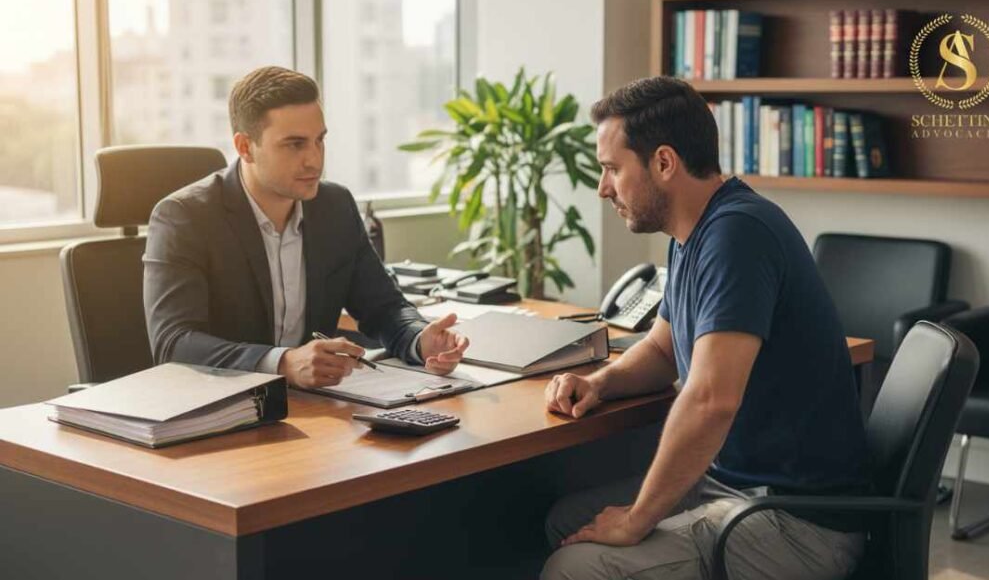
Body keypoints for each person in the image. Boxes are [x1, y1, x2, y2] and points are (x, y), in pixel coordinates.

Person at [541, 76, 871, 580]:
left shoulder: (738, 234)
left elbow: (711, 398)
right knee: (566, 520)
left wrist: (636, 520)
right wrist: (598, 383)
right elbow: (663, 348)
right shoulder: (694, 233)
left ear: (665, 163)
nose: (603, 187)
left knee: (573, 566)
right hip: (735, 487)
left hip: (795, 523)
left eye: (611, 168)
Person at [143, 66, 467, 387]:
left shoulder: (334, 207)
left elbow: (383, 307)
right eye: (295, 144)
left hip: (313, 406)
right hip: (220, 409)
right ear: (245, 147)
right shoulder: (184, 218)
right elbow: (174, 343)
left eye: (319, 140)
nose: (314, 160)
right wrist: (283, 362)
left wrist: (419, 338)